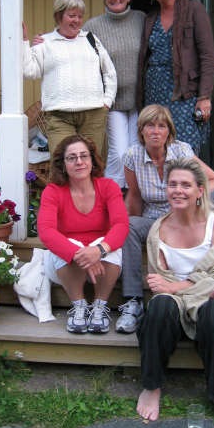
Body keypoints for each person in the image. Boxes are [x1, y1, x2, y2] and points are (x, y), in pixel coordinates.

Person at [136, 157, 214, 428]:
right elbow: (158, 282)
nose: (178, 190)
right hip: (176, 305)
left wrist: (176, 287)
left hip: (213, 301)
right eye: (172, 184)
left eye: (185, 185)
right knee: (159, 307)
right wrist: (179, 289)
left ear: (200, 190)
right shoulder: (158, 230)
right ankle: (152, 386)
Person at [115, 104, 214, 334]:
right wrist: (127, 234)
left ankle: (211, 255)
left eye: (162, 126)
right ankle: (133, 302)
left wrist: (188, 199)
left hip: (187, 220)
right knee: (128, 226)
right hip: (155, 224)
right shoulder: (132, 156)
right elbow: (135, 196)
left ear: (169, 131)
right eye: (150, 125)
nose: (156, 131)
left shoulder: (182, 151)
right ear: (141, 130)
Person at [37, 135, 129, 334]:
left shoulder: (108, 186)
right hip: (65, 265)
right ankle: (78, 306)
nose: (79, 161)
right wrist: (80, 253)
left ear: (92, 160)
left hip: (104, 262)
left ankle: (99, 307)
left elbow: (121, 225)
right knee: (66, 243)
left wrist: (98, 250)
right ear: (63, 164)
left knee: (109, 244)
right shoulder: (53, 191)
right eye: (72, 158)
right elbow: (46, 232)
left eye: (84, 156)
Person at [22, 0, 117, 158]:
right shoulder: (45, 42)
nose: (77, 20)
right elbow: (29, 71)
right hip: (59, 117)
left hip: (93, 114)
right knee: (62, 164)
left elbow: (109, 72)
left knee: (92, 163)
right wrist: (24, 42)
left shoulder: (91, 39)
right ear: (59, 16)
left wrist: (107, 101)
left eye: (80, 16)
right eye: (72, 16)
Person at [137, 0, 214, 153]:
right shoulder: (150, 18)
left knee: (185, 146)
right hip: (154, 92)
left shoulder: (193, 10)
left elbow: (207, 56)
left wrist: (204, 97)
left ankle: (186, 175)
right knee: (157, 145)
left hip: (184, 93)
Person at [84, 0, 145, 189]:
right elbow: (75, 47)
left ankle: (135, 196)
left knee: (136, 151)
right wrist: (45, 40)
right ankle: (113, 194)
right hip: (112, 100)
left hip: (140, 100)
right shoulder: (93, 26)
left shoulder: (141, 20)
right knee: (119, 153)